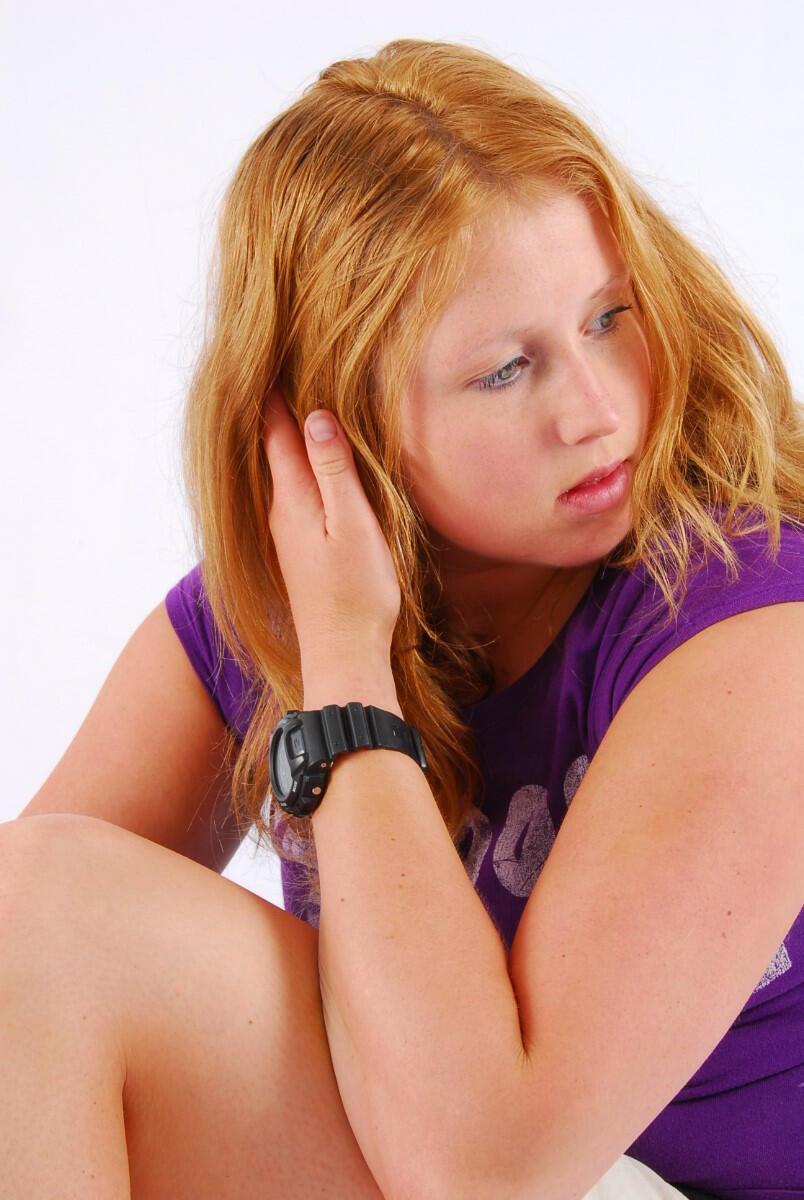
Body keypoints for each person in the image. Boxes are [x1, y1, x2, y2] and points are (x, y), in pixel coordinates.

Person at [6, 36, 803, 1200]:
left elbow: (490, 1171)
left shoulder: (750, 629)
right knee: (35, 915)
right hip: (479, 1158)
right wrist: (331, 637)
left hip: (601, 1175)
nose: (595, 410)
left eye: (606, 317)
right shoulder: (265, 619)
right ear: (332, 421)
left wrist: (346, 684)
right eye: (503, 370)